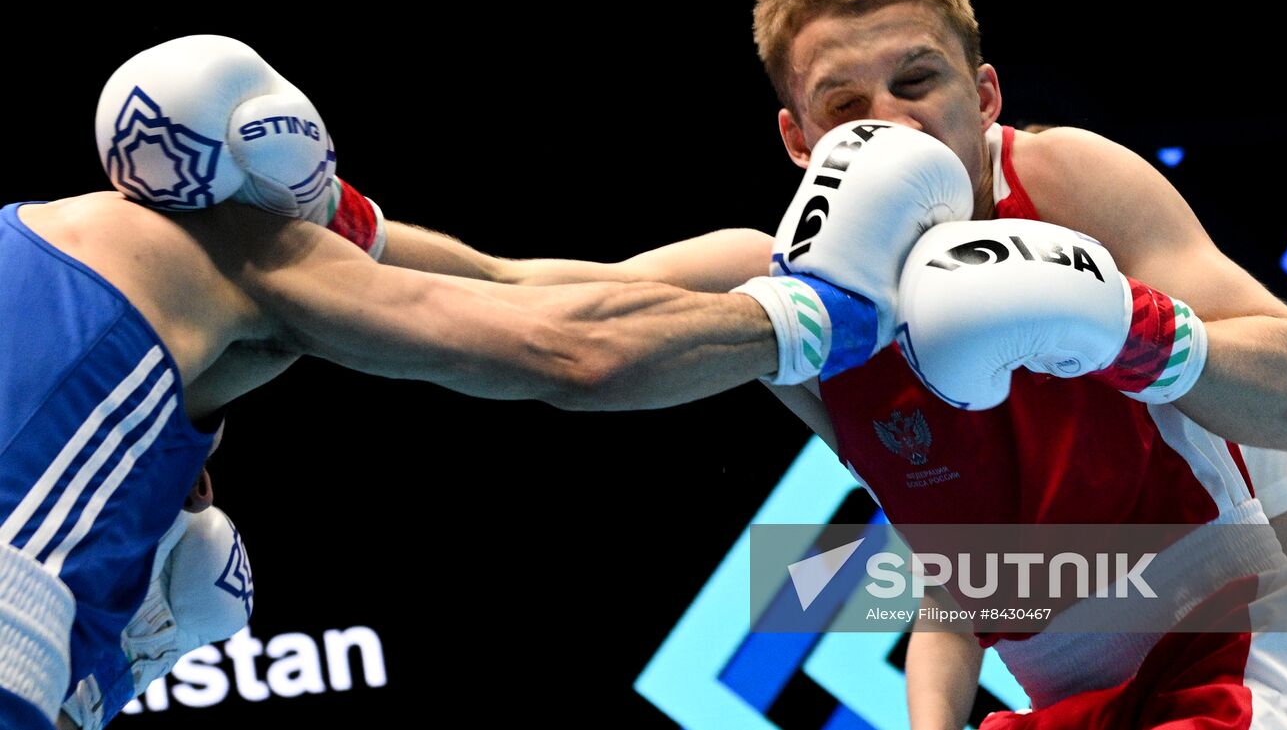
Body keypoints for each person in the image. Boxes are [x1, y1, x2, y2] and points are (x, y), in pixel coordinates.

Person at [2, 36, 962, 728]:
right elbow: (562, 349)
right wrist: (820, 317)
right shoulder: (228, 257)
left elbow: (500, 279)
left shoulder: (60, 250)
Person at [740, 0, 1287, 728]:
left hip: (1233, 660)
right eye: (848, 104)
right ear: (800, 139)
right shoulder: (818, 292)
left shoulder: (1074, 191)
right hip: (1068, 707)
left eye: (916, 81)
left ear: (983, 94)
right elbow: (960, 581)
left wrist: (1129, 330)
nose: (892, 124)